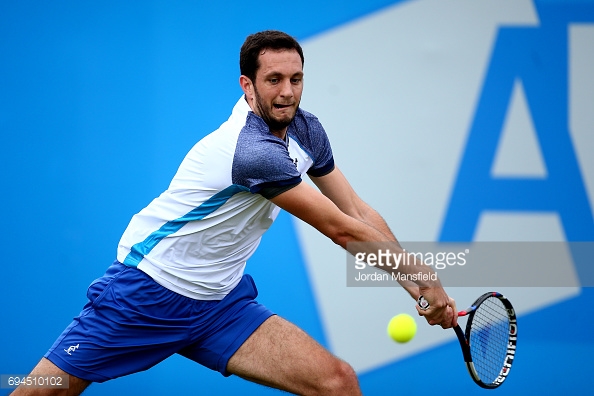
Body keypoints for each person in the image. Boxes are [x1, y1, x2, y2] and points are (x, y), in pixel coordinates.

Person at [13, 30, 457, 396]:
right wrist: (423, 273)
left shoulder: (306, 129)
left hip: (218, 304)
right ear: (247, 86)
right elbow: (341, 229)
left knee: (338, 384)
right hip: (147, 291)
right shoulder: (250, 152)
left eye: (297, 79)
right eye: (274, 80)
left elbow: (356, 208)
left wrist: (413, 286)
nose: (287, 92)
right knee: (40, 389)